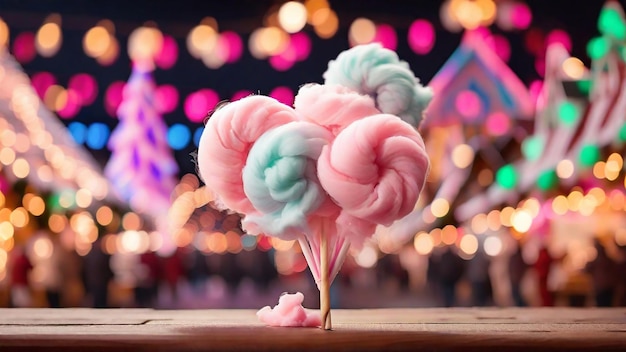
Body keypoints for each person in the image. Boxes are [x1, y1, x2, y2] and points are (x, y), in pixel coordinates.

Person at [585, 239, 617, 307]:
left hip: (603, 287)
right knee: (605, 305)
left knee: (603, 305)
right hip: (605, 287)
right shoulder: (608, 261)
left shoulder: (598, 262)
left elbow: (586, 269)